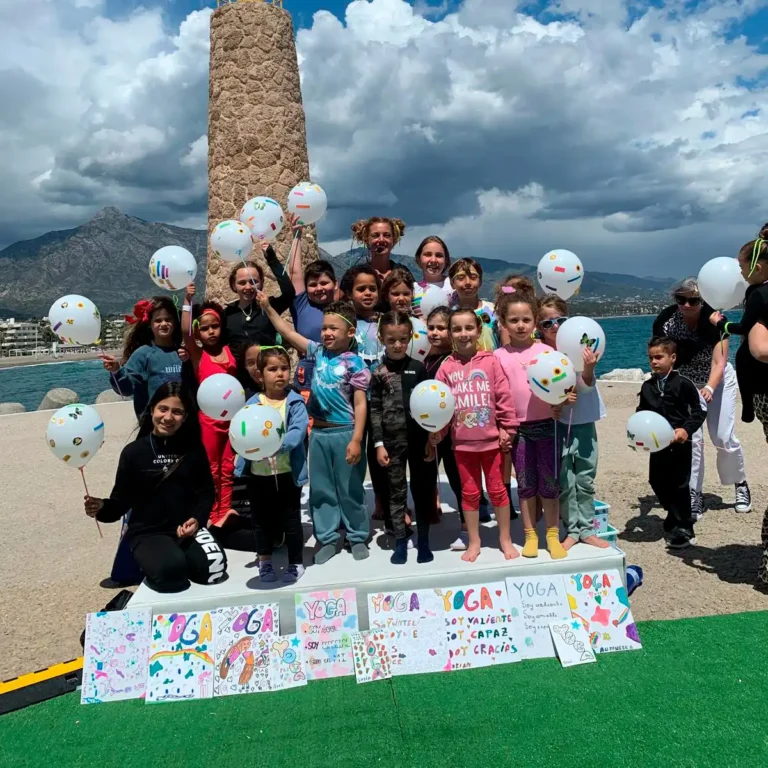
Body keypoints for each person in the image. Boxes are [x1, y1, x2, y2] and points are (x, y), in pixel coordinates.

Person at [258, 296, 371, 564]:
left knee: (350, 487)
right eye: (324, 328)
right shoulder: (316, 352)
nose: (327, 333)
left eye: (334, 328)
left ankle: (357, 535)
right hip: (318, 434)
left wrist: (357, 439)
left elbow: (360, 403)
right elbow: (287, 332)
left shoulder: (355, 363)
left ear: (350, 332)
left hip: (345, 432)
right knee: (321, 490)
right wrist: (268, 307)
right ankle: (328, 538)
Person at [84, 383, 228, 593]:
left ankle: (176, 558)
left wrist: (196, 519)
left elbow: (206, 492)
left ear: (185, 417)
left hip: (187, 530)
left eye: (177, 412)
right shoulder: (133, 453)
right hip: (148, 533)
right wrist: (101, 508)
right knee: (171, 574)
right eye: (163, 409)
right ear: (152, 410)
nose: (168, 417)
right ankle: (163, 560)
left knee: (215, 569)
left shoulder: (194, 449)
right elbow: (120, 501)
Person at [654, 278, 750, 518]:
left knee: (722, 435)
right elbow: (662, 358)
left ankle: (739, 483)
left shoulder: (715, 320)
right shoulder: (666, 322)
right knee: (691, 440)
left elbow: (720, 362)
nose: (687, 305)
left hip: (716, 380)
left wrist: (708, 387)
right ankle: (694, 494)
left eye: (693, 300)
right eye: (681, 299)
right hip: (685, 384)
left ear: (703, 300)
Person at [433, 308, 519, 562]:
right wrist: (437, 432)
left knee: (498, 492)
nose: (463, 334)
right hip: (462, 446)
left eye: (469, 328)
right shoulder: (446, 368)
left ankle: (505, 538)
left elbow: (503, 397)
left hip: (493, 444)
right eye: (457, 329)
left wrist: (508, 428)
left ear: (479, 331)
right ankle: (474, 540)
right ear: (450, 333)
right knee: (469, 494)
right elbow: (440, 404)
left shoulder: (491, 361)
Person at [710, 225, 768, 587]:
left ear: (759, 266)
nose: (741, 274)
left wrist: (721, 323)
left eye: (744, 267)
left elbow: (753, 338)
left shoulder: (759, 294)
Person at [495, 293, 565, 559]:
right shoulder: (498, 356)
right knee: (525, 484)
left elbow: (562, 384)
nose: (521, 325)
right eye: (514, 320)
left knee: (549, 483)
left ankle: (552, 534)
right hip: (518, 429)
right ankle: (529, 534)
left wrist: (561, 402)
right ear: (503, 322)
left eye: (526, 319)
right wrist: (503, 426)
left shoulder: (546, 352)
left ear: (535, 322)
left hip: (548, 424)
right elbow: (497, 395)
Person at [537, 297, 609, 550]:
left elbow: (588, 388)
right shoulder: (543, 355)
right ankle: (573, 529)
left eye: (560, 320)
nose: (555, 327)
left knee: (585, 478)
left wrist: (588, 369)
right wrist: (558, 397)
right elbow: (538, 390)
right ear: (540, 327)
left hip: (585, 420)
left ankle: (587, 528)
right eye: (548, 323)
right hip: (558, 424)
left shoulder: (581, 343)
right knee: (565, 479)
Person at [233, 346, 309, 584]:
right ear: (260, 374)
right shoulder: (253, 403)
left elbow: (298, 431)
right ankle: (265, 562)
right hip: (258, 474)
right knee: (261, 520)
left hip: (287, 472)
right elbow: (242, 430)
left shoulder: (295, 402)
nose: (279, 374)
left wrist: (277, 445)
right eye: (272, 369)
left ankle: (295, 562)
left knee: (292, 520)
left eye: (284, 368)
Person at [370, 311, 437, 564]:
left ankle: (424, 542)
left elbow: (429, 405)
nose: (397, 345)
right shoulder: (378, 373)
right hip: (391, 443)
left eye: (402, 339)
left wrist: (431, 438)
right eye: (391, 340)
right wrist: (378, 444)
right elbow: (374, 410)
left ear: (410, 337)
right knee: (396, 493)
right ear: (381, 339)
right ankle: (400, 541)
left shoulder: (418, 368)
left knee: (422, 491)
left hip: (419, 441)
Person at [637, 337, 706, 549]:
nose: (654, 362)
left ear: (672, 358)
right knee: (656, 480)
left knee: (680, 484)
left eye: (659, 357)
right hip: (657, 445)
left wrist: (686, 429)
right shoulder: (648, 386)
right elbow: (641, 412)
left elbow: (699, 410)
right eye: (651, 358)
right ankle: (673, 512)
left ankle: (685, 527)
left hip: (679, 444)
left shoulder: (683, 384)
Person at [181, 284, 238, 529]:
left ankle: (225, 510)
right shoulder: (197, 355)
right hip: (209, 421)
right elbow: (185, 331)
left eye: (214, 326)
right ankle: (211, 513)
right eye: (204, 329)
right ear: (199, 333)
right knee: (211, 468)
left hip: (232, 420)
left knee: (228, 467)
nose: (211, 332)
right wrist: (187, 301)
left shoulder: (230, 350)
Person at [425, 306, 467, 548]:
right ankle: (430, 515)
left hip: (454, 431)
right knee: (428, 475)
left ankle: (466, 525)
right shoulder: (426, 359)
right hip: (431, 431)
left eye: (441, 328)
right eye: (431, 328)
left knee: (457, 479)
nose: (435, 332)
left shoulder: (453, 361)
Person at [102, 297, 183, 419]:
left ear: (175, 322)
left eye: (168, 319)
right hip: (152, 427)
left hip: (181, 424)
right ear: (150, 324)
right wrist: (116, 371)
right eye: (158, 320)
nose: (164, 324)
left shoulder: (183, 353)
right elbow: (126, 390)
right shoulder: (143, 354)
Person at [223, 241, 296, 357]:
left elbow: (289, 292)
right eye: (242, 283)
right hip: (238, 372)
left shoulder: (269, 307)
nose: (248, 287)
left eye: (253, 282)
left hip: (266, 370)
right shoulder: (227, 314)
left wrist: (272, 259)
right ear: (233, 286)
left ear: (262, 283)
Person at [288, 240, 338, 398]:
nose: (319, 288)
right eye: (313, 284)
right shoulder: (301, 304)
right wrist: (297, 236)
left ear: (335, 284)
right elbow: (295, 272)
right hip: (308, 370)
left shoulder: (343, 310)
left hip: (338, 367)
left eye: (324, 283)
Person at [448, 258, 496, 351]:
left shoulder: (494, 310)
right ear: (452, 284)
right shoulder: (449, 314)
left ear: (480, 282)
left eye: (473, 277)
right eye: (461, 278)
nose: (468, 283)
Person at [350, 216, 406, 283]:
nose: (381, 240)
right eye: (375, 235)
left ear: (394, 240)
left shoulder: (403, 273)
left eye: (387, 235)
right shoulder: (355, 274)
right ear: (366, 240)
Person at [492, 274, 537, 348]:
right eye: (509, 290)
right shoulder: (506, 326)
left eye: (521, 288)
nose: (516, 293)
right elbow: (509, 352)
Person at [413, 236, 453, 317]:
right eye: (427, 255)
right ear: (418, 259)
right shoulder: (412, 290)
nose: (433, 260)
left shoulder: (454, 286)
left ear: (446, 260)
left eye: (439, 255)